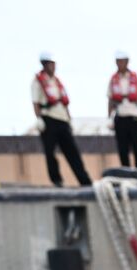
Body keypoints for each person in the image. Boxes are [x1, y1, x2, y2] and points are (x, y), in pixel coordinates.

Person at [31, 52, 92, 187]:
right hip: (48, 119)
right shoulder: (38, 82)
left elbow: (64, 103)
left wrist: (69, 120)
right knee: (50, 152)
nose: (52, 67)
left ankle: (85, 181)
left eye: (53, 64)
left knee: (72, 152)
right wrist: (39, 118)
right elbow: (35, 102)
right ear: (44, 65)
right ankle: (57, 180)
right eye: (49, 64)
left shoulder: (57, 81)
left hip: (62, 119)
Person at [107, 51, 137, 171]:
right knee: (123, 150)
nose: (120, 64)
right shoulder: (113, 79)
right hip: (121, 118)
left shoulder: (135, 78)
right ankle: (126, 174)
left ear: (127, 62)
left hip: (135, 117)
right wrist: (110, 118)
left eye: (122, 61)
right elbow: (110, 100)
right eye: (118, 61)